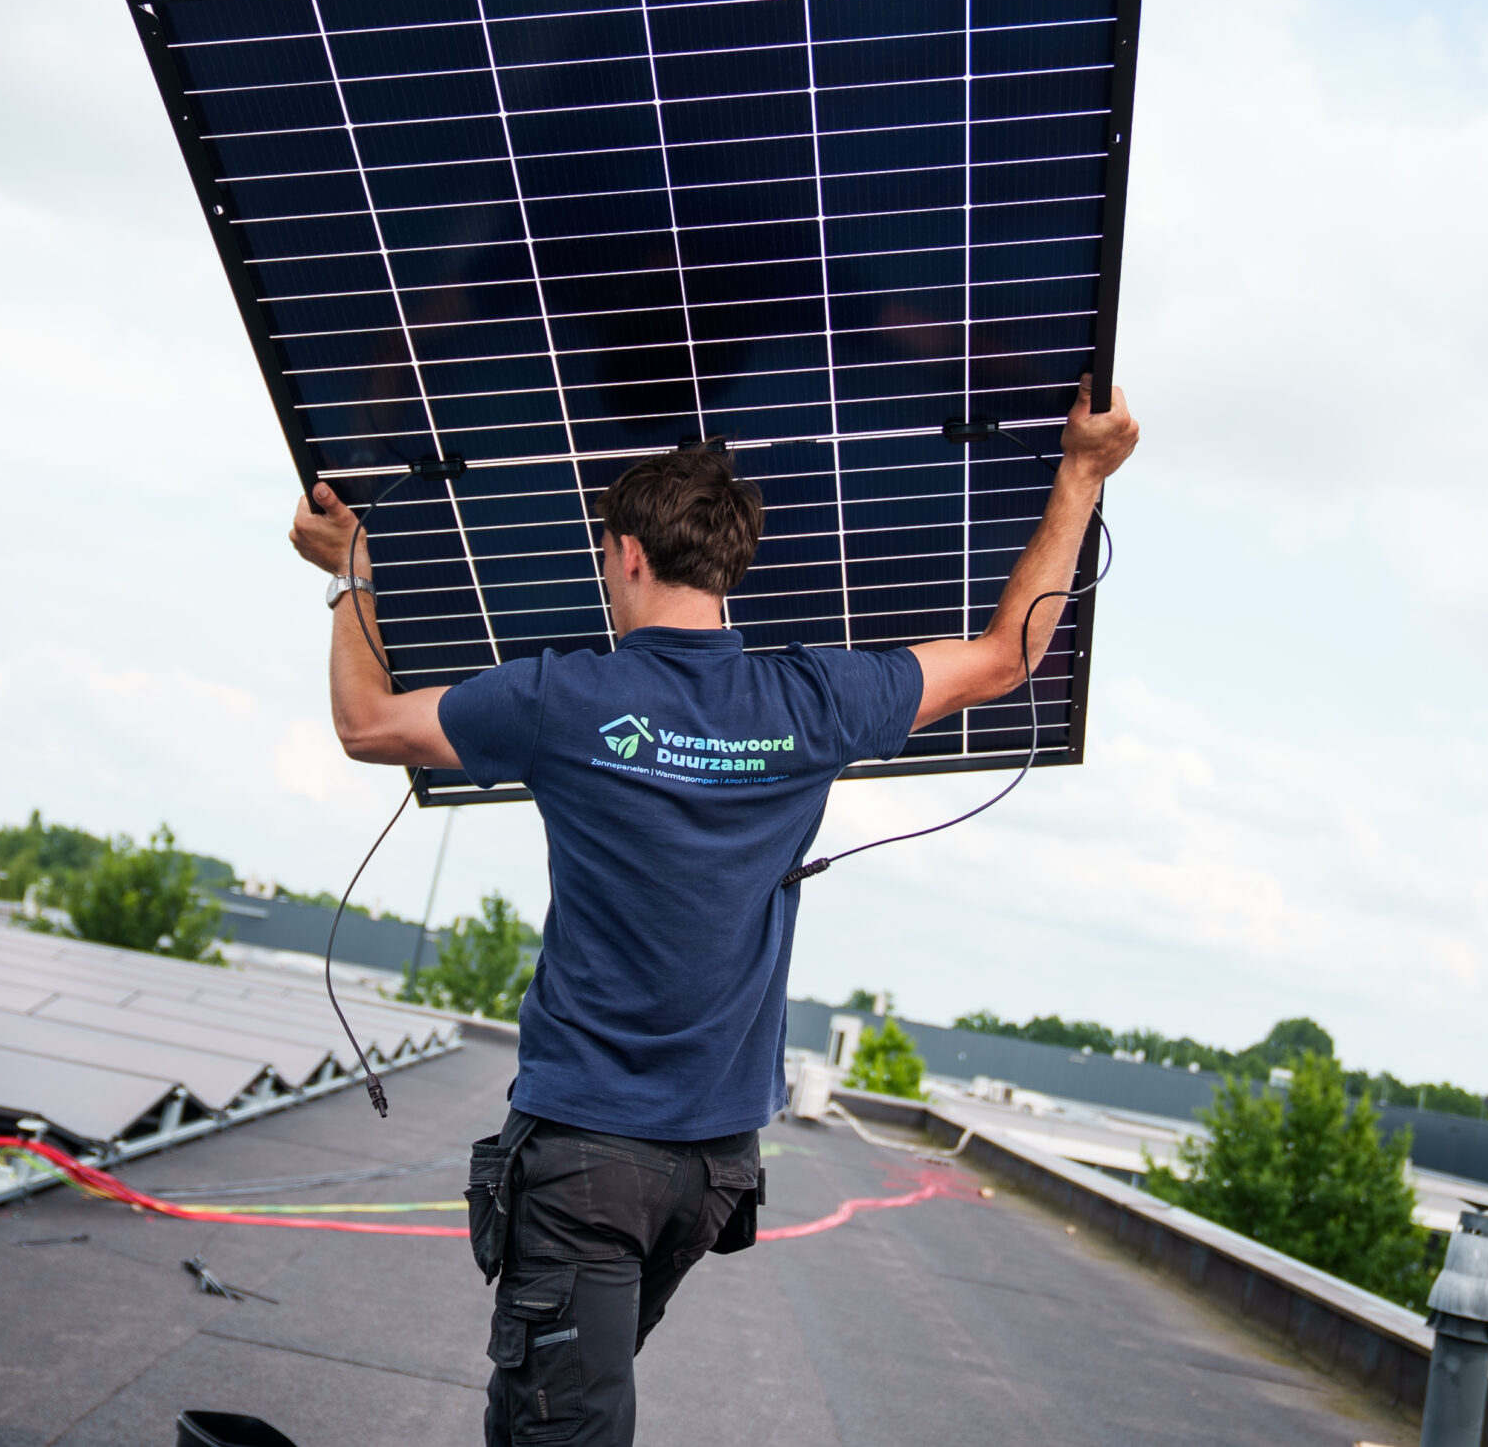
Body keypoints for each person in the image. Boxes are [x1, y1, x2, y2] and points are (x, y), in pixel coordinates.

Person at [287, 374, 1139, 1446]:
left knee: (560, 1423)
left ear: (629, 555)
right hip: (715, 1166)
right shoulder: (813, 700)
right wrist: (1079, 475)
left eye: (605, 554)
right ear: (729, 565)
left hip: (588, 1153)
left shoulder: (561, 698)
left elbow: (366, 725)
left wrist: (351, 575)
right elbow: (1011, 654)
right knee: (546, 1410)